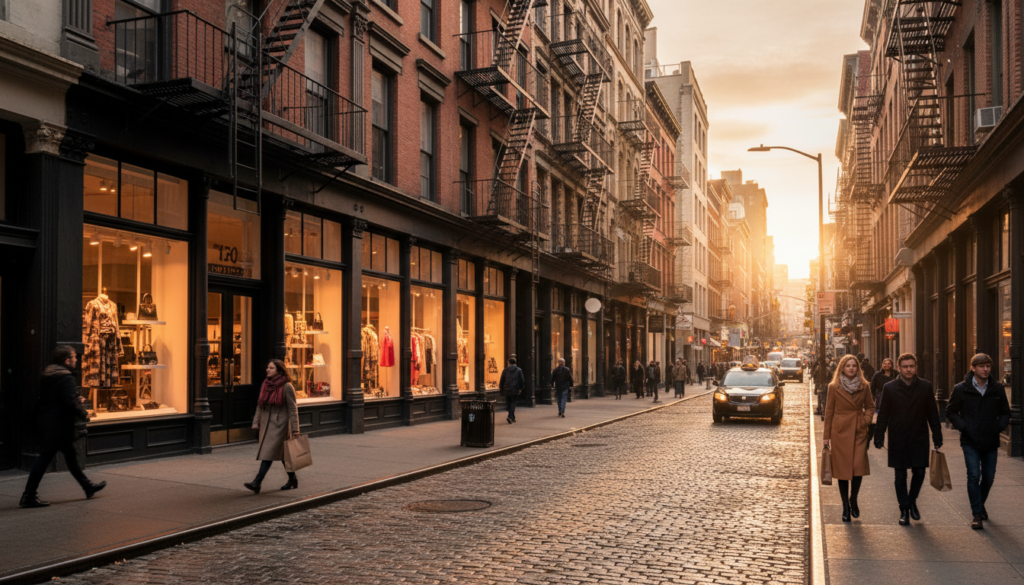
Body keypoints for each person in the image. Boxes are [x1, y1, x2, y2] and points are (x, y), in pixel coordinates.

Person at [20, 346, 107, 508]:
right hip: (58, 425)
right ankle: (28, 495)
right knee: (45, 458)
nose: (76, 360)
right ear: (67, 360)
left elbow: (54, 398)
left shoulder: (49, 374)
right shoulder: (66, 377)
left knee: (69, 457)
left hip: (48, 422)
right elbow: (69, 402)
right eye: (74, 357)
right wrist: (83, 412)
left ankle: (87, 487)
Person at [874, 353, 942, 526]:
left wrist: (937, 435)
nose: (908, 369)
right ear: (899, 368)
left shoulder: (925, 386)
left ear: (916, 367)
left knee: (919, 472)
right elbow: (883, 414)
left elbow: (932, 413)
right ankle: (904, 509)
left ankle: (911, 501)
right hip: (898, 436)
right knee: (900, 476)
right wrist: (879, 435)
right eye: (905, 367)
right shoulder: (890, 388)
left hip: (919, 436)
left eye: (911, 366)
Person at [946, 353, 1011, 530]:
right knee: (974, 475)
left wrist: (998, 427)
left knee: (988, 477)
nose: (985, 369)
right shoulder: (961, 389)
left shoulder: (997, 388)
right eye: (981, 366)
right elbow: (951, 412)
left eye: (988, 366)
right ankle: (976, 514)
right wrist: (965, 427)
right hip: (970, 440)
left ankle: (980, 503)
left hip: (990, 439)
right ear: (973, 368)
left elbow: (1005, 412)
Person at [823, 355, 874, 523]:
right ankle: (845, 505)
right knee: (843, 471)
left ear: (858, 368)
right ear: (842, 368)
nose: (851, 368)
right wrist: (826, 437)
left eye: (854, 365)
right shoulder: (833, 387)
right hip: (840, 432)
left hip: (859, 431)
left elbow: (870, 406)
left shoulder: (864, 386)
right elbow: (829, 412)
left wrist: (865, 420)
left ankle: (854, 499)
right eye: (848, 365)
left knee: (858, 468)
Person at [245, 359, 300, 494]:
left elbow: (293, 409)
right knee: (282, 454)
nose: (267, 370)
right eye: (267, 367)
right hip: (266, 424)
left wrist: (295, 429)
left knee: (268, 452)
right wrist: (256, 422)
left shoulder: (287, 387)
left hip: (280, 425)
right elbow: (260, 404)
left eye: (271, 368)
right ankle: (292, 479)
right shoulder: (265, 384)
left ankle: (257, 482)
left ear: (279, 370)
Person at [499, 357, 525, 424]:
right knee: (513, 403)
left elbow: (502, 380)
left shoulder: (505, 370)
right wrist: (520, 388)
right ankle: (510, 417)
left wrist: (501, 389)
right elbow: (522, 380)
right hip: (515, 389)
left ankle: (512, 417)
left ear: (509, 363)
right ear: (515, 363)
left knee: (509, 403)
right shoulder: (519, 370)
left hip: (507, 389)